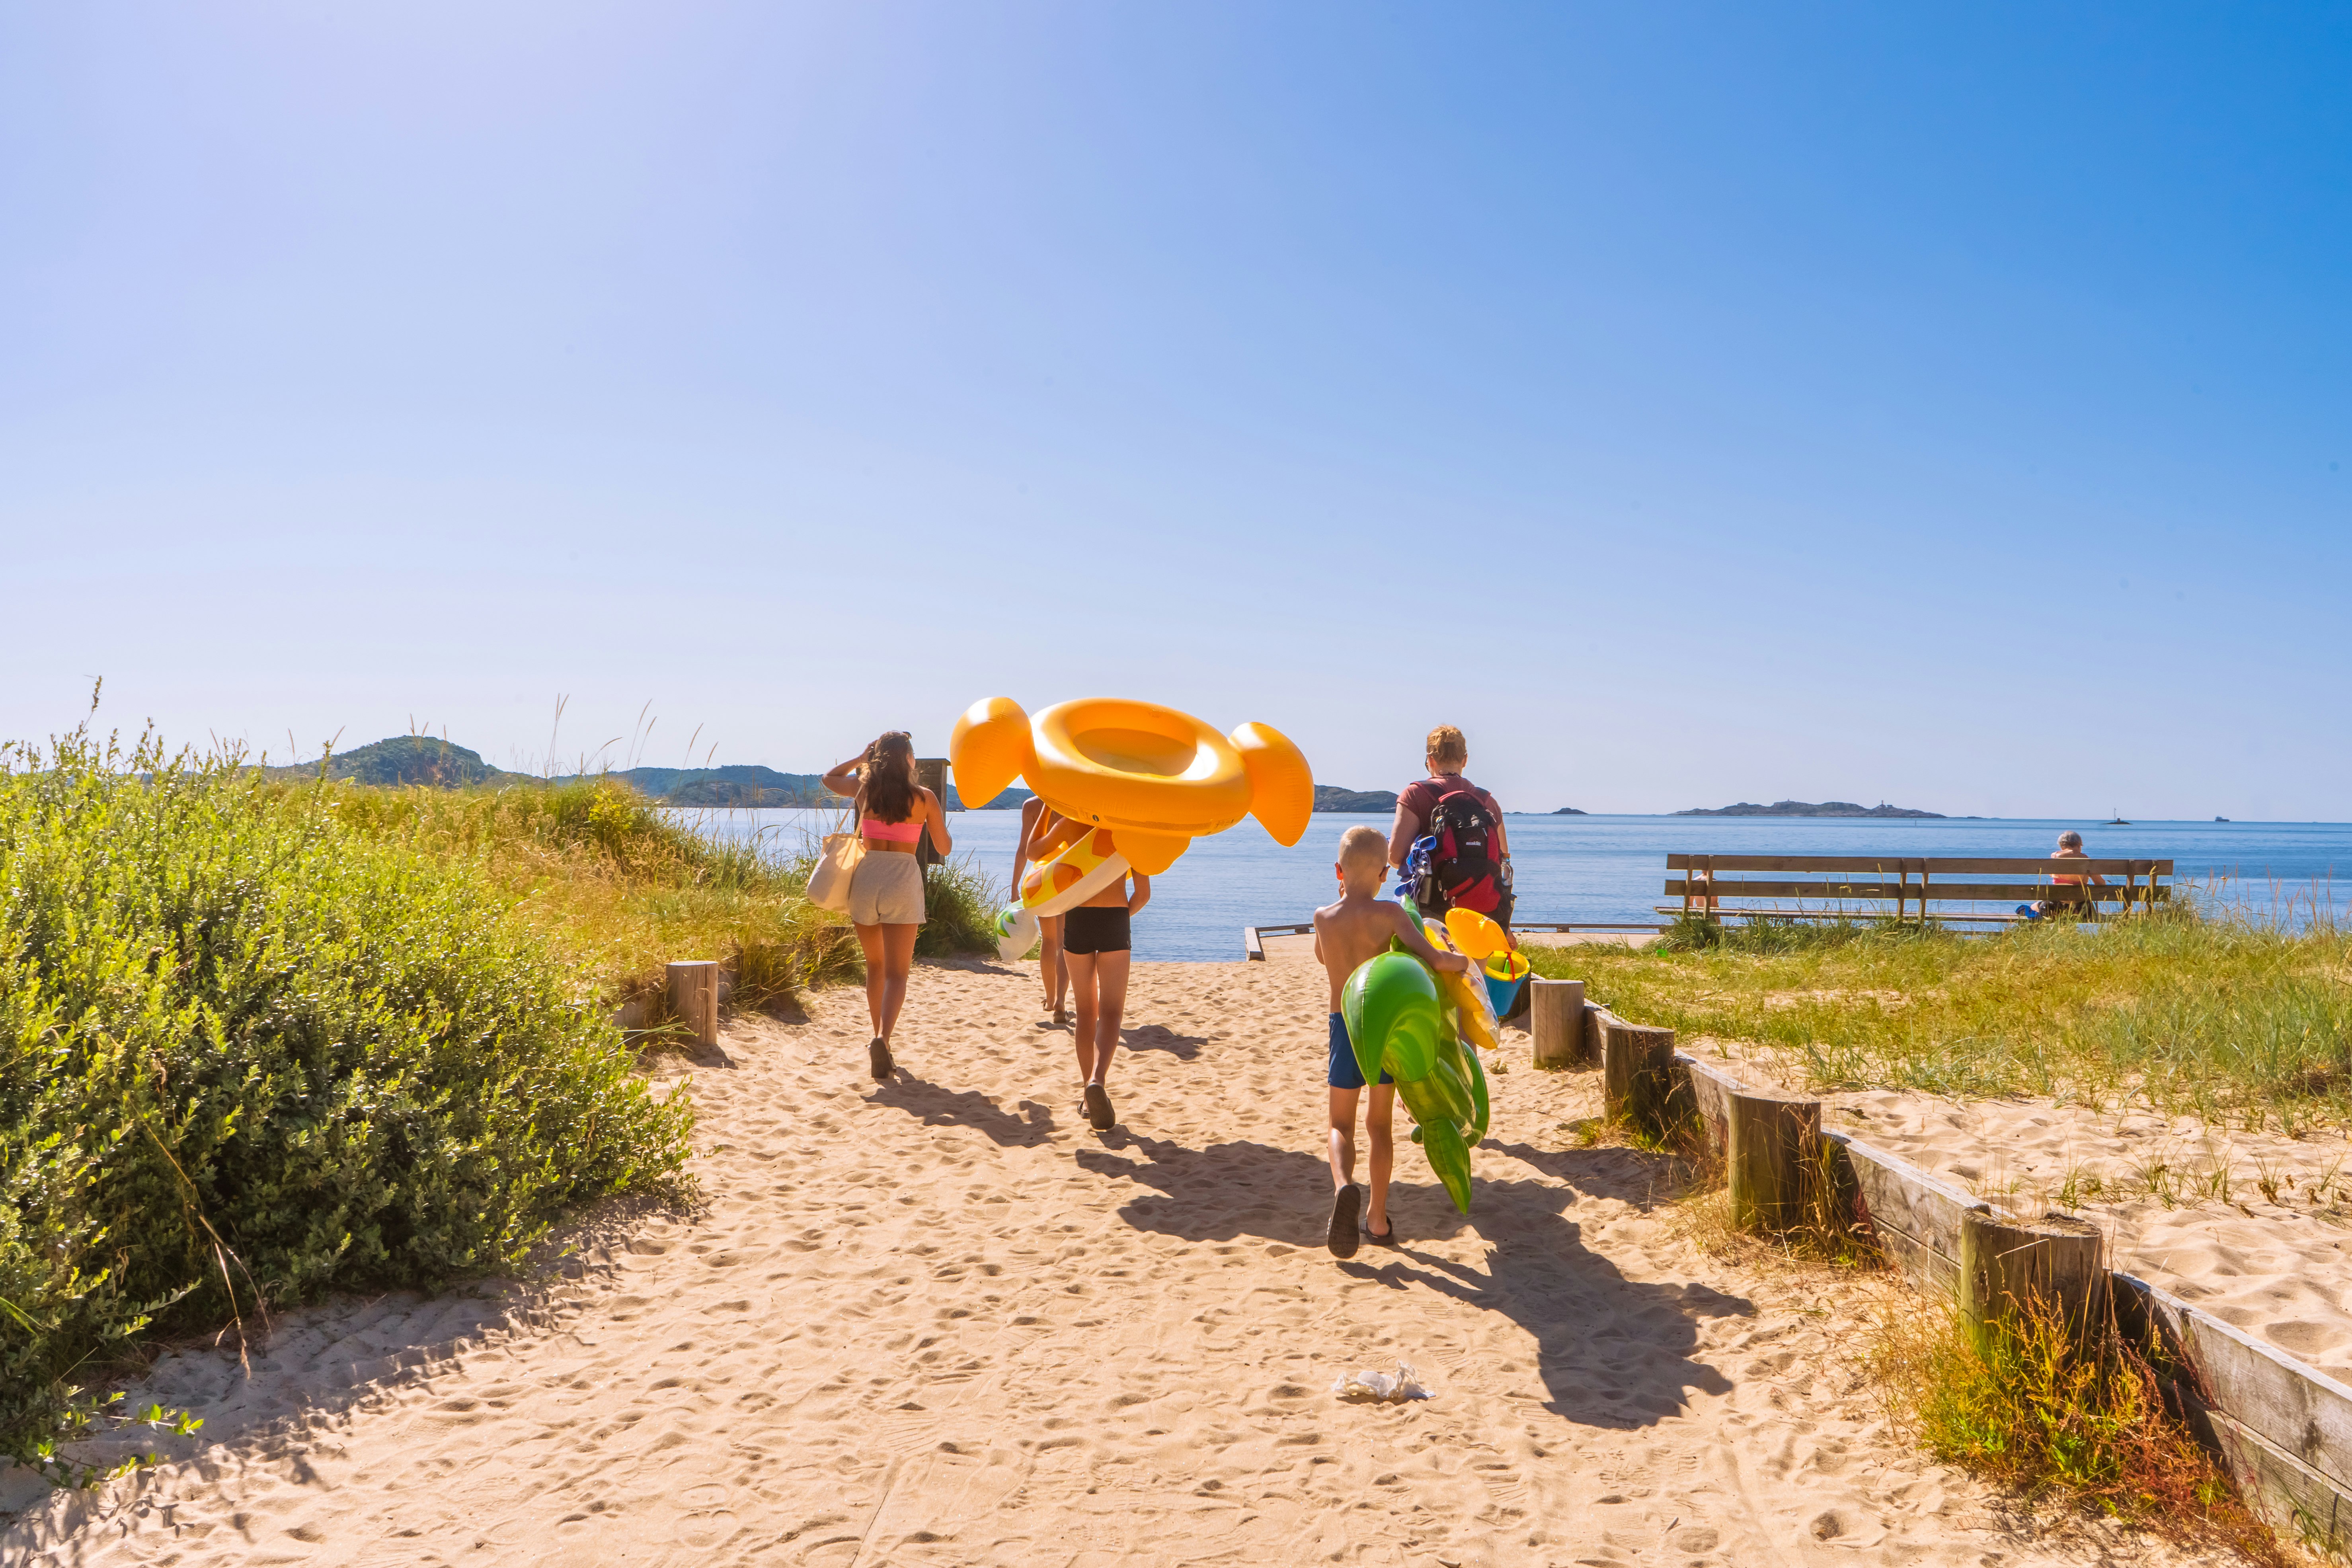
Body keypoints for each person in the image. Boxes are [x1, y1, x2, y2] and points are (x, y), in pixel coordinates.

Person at [1314, 825, 1470, 1258]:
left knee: (1340, 1124)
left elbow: (1323, 957)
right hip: (1384, 1028)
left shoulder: (1323, 917)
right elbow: (1434, 959)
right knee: (1379, 1125)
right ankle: (1378, 1219)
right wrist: (1465, 961)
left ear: (1338, 871)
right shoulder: (1391, 915)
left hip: (1345, 1025)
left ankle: (1344, 1187)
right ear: (1385, 874)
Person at [823, 732, 952, 1082]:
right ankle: (883, 1038)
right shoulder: (924, 798)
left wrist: (859, 758)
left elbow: (829, 779)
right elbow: (944, 847)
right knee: (898, 973)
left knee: (876, 966)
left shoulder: (865, 791)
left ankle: (877, 1034)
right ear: (909, 759)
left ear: (876, 758)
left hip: (867, 879)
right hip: (902, 881)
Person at [1028, 814, 1151, 1130]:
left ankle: (1086, 1094)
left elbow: (1033, 852)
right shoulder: (1131, 827)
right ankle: (1098, 1080)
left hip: (1078, 919)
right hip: (1115, 919)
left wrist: (1046, 810)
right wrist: (1120, 918)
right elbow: (1143, 894)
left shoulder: (1071, 823)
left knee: (1085, 1011)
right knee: (1111, 1012)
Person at [1388, 724, 1515, 931]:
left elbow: (1395, 857)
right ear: (1465, 760)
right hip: (1481, 915)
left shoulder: (1414, 795)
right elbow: (1503, 860)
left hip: (1430, 914)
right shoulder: (1487, 801)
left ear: (1430, 760)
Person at [1009, 795, 1071, 1026]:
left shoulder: (1032, 806)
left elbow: (1023, 850)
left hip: (1042, 880)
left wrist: (1015, 886)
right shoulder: (1073, 801)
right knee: (1063, 943)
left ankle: (1050, 999)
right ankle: (1061, 1002)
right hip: (1069, 876)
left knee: (1049, 940)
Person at [2017, 831, 2106, 921]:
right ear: (2079, 845)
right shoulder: (2087, 861)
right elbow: (2101, 884)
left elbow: (2052, 875)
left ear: (2062, 846)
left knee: (2033, 907)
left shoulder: (2055, 857)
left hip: (2055, 908)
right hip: (2081, 909)